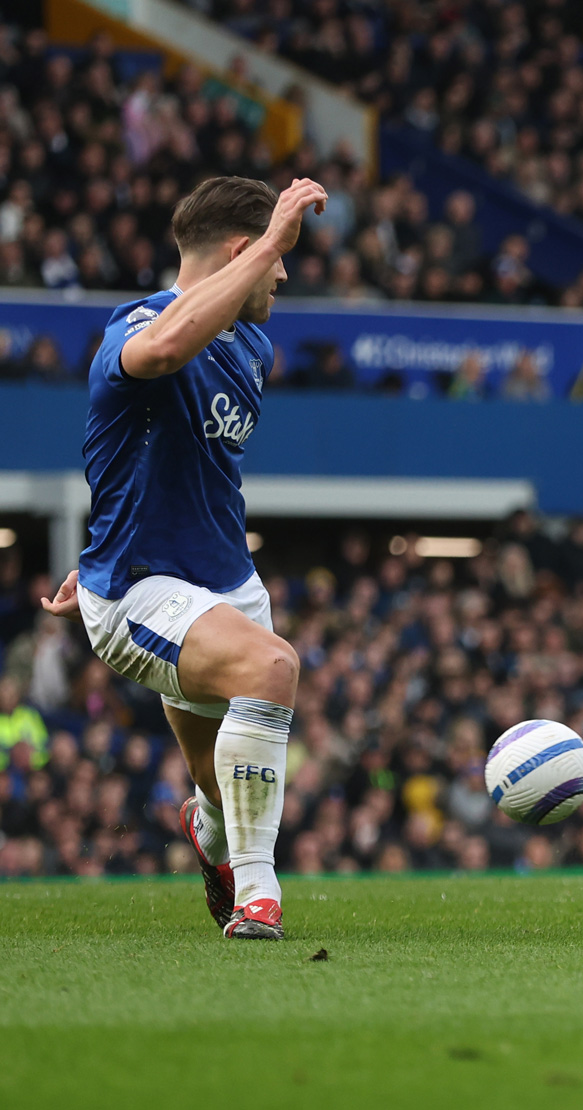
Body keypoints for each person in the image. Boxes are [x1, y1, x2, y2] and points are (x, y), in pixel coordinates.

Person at [40, 175, 329, 940]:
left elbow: (165, 465)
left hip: (225, 581)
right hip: (139, 592)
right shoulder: (134, 326)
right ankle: (259, 895)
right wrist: (274, 234)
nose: (285, 273)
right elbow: (164, 351)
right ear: (244, 249)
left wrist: (104, 533)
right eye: (276, 259)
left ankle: (208, 832)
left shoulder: (254, 345)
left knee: (217, 783)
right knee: (274, 669)